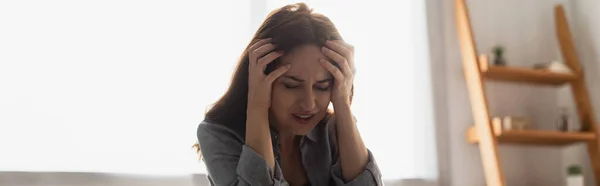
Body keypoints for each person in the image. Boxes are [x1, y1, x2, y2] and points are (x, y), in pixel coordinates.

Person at [196, 3, 382, 186]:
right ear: (259, 80)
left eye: (322, 87)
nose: (309, 104)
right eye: (291, 86)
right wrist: (258, 105)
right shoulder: (217, 135)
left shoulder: (332, 129)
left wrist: (343, 102)